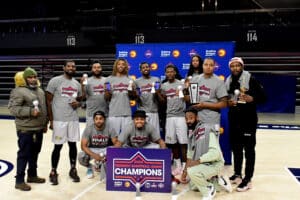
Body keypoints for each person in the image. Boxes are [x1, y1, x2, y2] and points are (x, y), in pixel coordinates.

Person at [225, 57, 266, 192]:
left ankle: (248, 179)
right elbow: (226, 98)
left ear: (242, 66)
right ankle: (237, 174)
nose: (235, 68)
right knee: (236, 148)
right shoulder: (228, 80)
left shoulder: (250, 79)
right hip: (234, 119)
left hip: (248, 120)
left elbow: (264, 97)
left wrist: (252, 98)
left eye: (238, 66)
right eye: (233, 66)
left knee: (248, 150)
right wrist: (228, 102)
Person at [8, 67, 48, 191]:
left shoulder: (40, 91)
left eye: (34, 76)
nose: (33, 79)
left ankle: (32, 175)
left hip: (38, 128)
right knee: (24, 154)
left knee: (35, 153)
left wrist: (44, 123)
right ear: (25, 79)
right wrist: (30, 111)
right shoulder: (18, 91)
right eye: (30, 77)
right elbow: (13, 109)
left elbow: (44, 109)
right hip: (26, 129)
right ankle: (19, 181)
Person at [46, 60, 83, 185]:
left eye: (73, 66)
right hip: (59, 120)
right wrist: (51, 120)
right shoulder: (55, 81)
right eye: (69, 66)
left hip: (72, 119)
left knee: (73, 145)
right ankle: (53, 171)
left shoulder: (77, 84)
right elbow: (48, 101)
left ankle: (73, 169)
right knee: (58, 146)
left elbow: (79, 99)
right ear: (64, 68)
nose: (71, 68)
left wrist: (78, 103)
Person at [181, 107, 232, 200]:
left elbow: (215, 153)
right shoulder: (192, 134)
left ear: (197, 118)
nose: (188, 121)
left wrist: (198, 161)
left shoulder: (207, 130)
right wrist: (184, 172)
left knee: (192, 172)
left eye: (191, 118)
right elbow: (189, 155)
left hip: (215, 164)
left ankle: (209, 189)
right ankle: (217, 181)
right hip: (204, 164)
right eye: (186, 119)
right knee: (193, 185)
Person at [156, 64, 188, 176]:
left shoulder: (181, 84)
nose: (170, 73)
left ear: (175, 72)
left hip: (181, 116)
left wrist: (183, 93)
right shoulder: (163, 86)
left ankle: (185, 166)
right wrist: (158, 93)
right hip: (169, 117)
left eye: (172, 71)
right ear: (165, 74)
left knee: (183, 142)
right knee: (172, 143)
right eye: (167, 72)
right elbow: (163, 102)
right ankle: (178, 165)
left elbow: (188, 99)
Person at [78, 111, 118, 178]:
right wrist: (95, 155)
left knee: (116, 151)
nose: (98, 121)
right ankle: (90, 167)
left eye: (100, 118)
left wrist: (106, 155)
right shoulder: (89, 129)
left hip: (105, 149)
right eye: (96, 119)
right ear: (94, 120)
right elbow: (83, 146)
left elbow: (117, 144)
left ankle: (103, 166)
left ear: (104, 120)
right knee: (81, 156)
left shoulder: (110, 128)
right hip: (93, 150)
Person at [190, 57, 228, 125]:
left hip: (212, 120)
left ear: (214, 67)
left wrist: (205, 105)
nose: (208, 67)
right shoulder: (195, 79)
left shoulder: (219, 81)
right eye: (206, 64)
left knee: (211, 136)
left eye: (211, 65)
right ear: (202, 66)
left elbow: (224, 104)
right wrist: (182, 93)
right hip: (197, 120)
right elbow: (192, 99)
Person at [104, 58, 136, 134]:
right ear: (115, 66)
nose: (121, 66)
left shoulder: (130, 79)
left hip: (126, 113)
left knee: (126, 138)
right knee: (113, 138)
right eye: (119, 64)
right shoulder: (109, 79)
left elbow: (133, 98)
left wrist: (131, 92)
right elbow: (106, 98)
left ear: (126, 66)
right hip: (114, 113)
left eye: (123, 64)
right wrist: (107, 92)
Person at [135, 62, 161, 136]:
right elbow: (136, 98)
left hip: (154, 111)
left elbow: (160, 97)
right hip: (142, 112)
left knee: (155, 135)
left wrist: (157, 93)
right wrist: (136, 96)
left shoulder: (156, 79)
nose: (145, 69)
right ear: (140, 70)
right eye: (143, 67)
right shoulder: (137, 81)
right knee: (143, 135)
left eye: (147, 67)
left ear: (150, 68)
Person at [82, 60, 108, 127]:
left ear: (101, 68)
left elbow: (109, 97)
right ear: (92, 69)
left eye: (98, 67)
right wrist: (82, 86)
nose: (97, 69)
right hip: (91, 114)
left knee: (105, 136)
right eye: (95, 67)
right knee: (91, 136)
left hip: (105, 114)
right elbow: (83, 97)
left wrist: (107, 90)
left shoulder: (107, 80)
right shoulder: (86, 81)